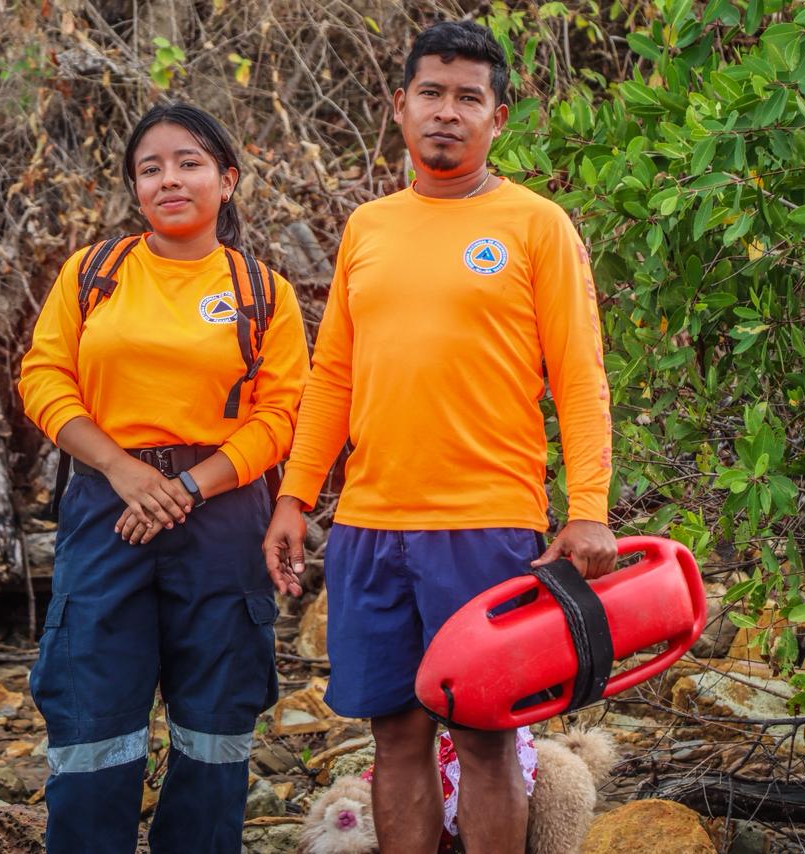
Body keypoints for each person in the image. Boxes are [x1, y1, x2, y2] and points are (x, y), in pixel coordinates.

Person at [262, 20, 617, 854]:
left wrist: (589, 508)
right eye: (431, 93)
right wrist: (294, 496)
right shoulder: (368, 227)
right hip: (371, 527)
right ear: (400, 106)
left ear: (499, 117)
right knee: (395, 737)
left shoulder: (537, 224)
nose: (446, 112)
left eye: (468, 97)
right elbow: (334, 378)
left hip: (486, 524)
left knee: (487, 738)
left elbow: (580, 378)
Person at [18, 103, 309, 853]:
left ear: (227, 180)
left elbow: (281, 416)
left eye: (189, 163)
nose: (169, 180)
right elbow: (43, 378)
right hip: (106, 507)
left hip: (222, 515)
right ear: (135, 188)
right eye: (151, 169)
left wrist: (186, 489)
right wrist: (120, 468)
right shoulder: (93, 273)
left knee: (216, 715)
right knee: (91, 706)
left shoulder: (263, 292)